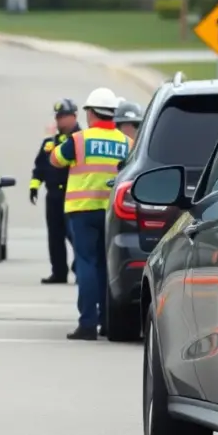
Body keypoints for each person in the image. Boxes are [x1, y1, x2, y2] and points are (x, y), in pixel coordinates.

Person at [50, 87, 130, 341]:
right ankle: (107, 322)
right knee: (107, 267)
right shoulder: (127, 143)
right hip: (112, 213)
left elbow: (55, 159)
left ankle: (87, 323)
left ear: (92, 113)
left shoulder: (79, 140)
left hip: (82, 212)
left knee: (86, 264)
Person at [31, 99, 81, 284]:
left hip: (73, 197)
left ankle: (80, 270)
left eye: (63, 117)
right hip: (53, 197)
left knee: (76, 236)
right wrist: (34, 186)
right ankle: (58, 272)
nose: (60, 121)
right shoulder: (49, 143)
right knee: (55, 237)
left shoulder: (80, 140)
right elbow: (39, 168)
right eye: (58, 117)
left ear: (74, 116)